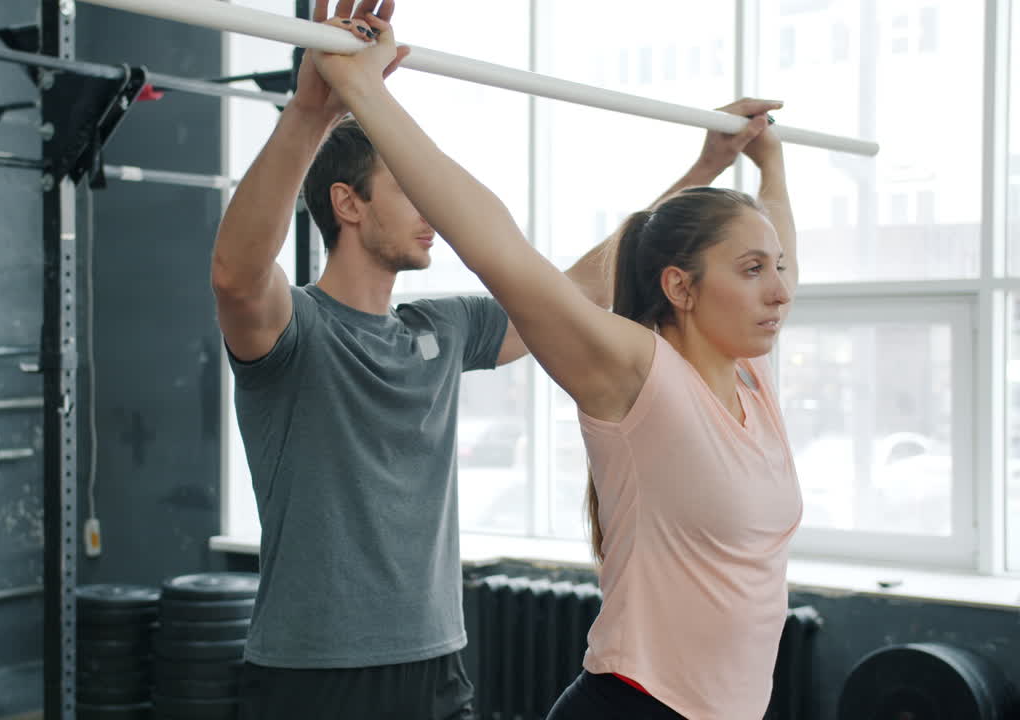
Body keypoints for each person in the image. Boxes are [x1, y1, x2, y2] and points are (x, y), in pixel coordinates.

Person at [308, 12, 802, 720]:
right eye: (752, 270)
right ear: (680, 288)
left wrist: (767, 162)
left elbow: (778, 236)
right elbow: (502, 251)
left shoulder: (752, 379)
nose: (779, 289)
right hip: (636, 706)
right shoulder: (638, 374)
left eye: (779, 269)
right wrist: (364, 92)